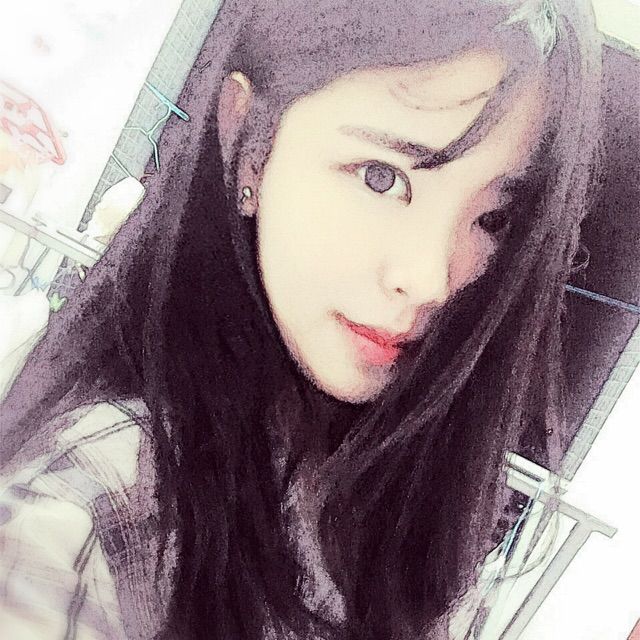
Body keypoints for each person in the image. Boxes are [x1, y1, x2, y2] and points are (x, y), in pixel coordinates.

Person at [0, 0, 604, 638]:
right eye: (381, 178)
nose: (428, 279)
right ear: (250, 143)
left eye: (493, 219)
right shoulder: (84, 516)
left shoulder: (399, 499)